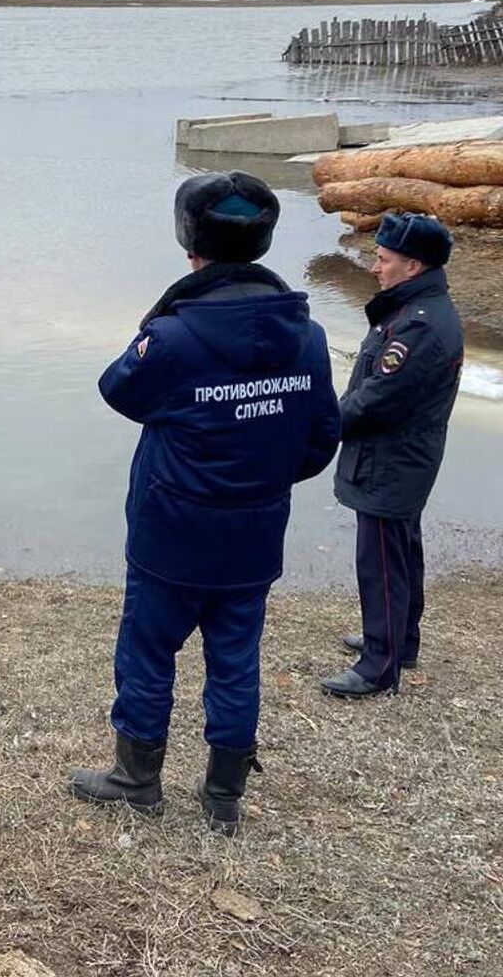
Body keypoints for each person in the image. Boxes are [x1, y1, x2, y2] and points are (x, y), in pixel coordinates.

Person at [68, 173, 340, 834]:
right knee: (236, 658)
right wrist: (258, 479)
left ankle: (136, 778)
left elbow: (117, 389)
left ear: (190, 241)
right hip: (254, 533)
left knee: (147, 652)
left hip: (173, 532)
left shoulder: (176, 338)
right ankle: (223, 796)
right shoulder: (306, 335)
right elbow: (321, 440)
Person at [321, 213, 462, 699]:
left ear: (414, 265)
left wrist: (319, 425)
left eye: (383, 259)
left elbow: (376, 399)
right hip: (402, 456)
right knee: (401, 550)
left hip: (392, 460)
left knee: (380, 559)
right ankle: (400, 641)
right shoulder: (414, 310)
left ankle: (379, 665)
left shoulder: (419, 328)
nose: (374, 267)